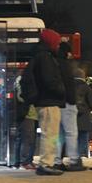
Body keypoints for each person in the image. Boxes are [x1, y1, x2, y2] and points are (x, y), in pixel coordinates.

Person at [27, 28, 68, 175]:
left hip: (46, 100)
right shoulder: (45, 58)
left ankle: (47, 163)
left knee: (50, 134)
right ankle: (45, 164)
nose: (58, 46)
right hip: (48, 101)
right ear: (51, 43)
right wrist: (61, 90)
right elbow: (49, 80)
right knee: (50, 134)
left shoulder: (41, 56)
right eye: (56, 43)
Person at [58, 40, 92, 171]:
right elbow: (91, 102)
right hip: (71, 107)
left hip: (58, 103)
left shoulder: (55, 63)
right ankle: (74, 160)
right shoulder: (66, 66)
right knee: (72, 134)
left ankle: (57, 160)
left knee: (59, 135)